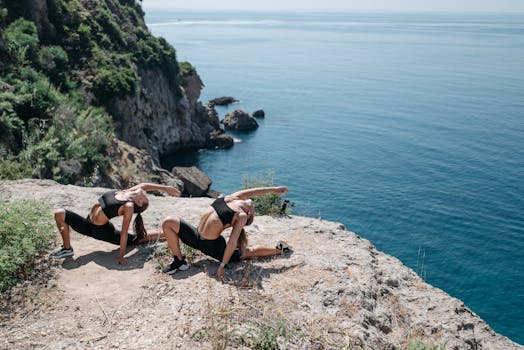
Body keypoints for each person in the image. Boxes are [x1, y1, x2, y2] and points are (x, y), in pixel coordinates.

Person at [161, 186, 291, 278]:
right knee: (168, 222)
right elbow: (254, 191)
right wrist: (274, 189)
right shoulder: (234, 198)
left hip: (213, 247)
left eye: (253, 209)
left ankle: (280, 250)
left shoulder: (241, 216)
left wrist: (222, 265)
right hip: (196, 236)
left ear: (249, 213)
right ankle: (179, 261)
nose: (253, 203)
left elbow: (232, 241)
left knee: (247, 253)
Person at [51, 183, 181, 265]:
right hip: (87, 224)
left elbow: (124, 232)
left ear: (139, 203)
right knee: (59, 213)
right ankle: (67, 249)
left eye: (145, 198)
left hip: (102, 232)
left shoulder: (129, 206)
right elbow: (145, 186)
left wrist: (121, 255)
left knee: (137, 240)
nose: (145, 194)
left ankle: (168, 233)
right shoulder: (127, 193)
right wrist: (165, 188)